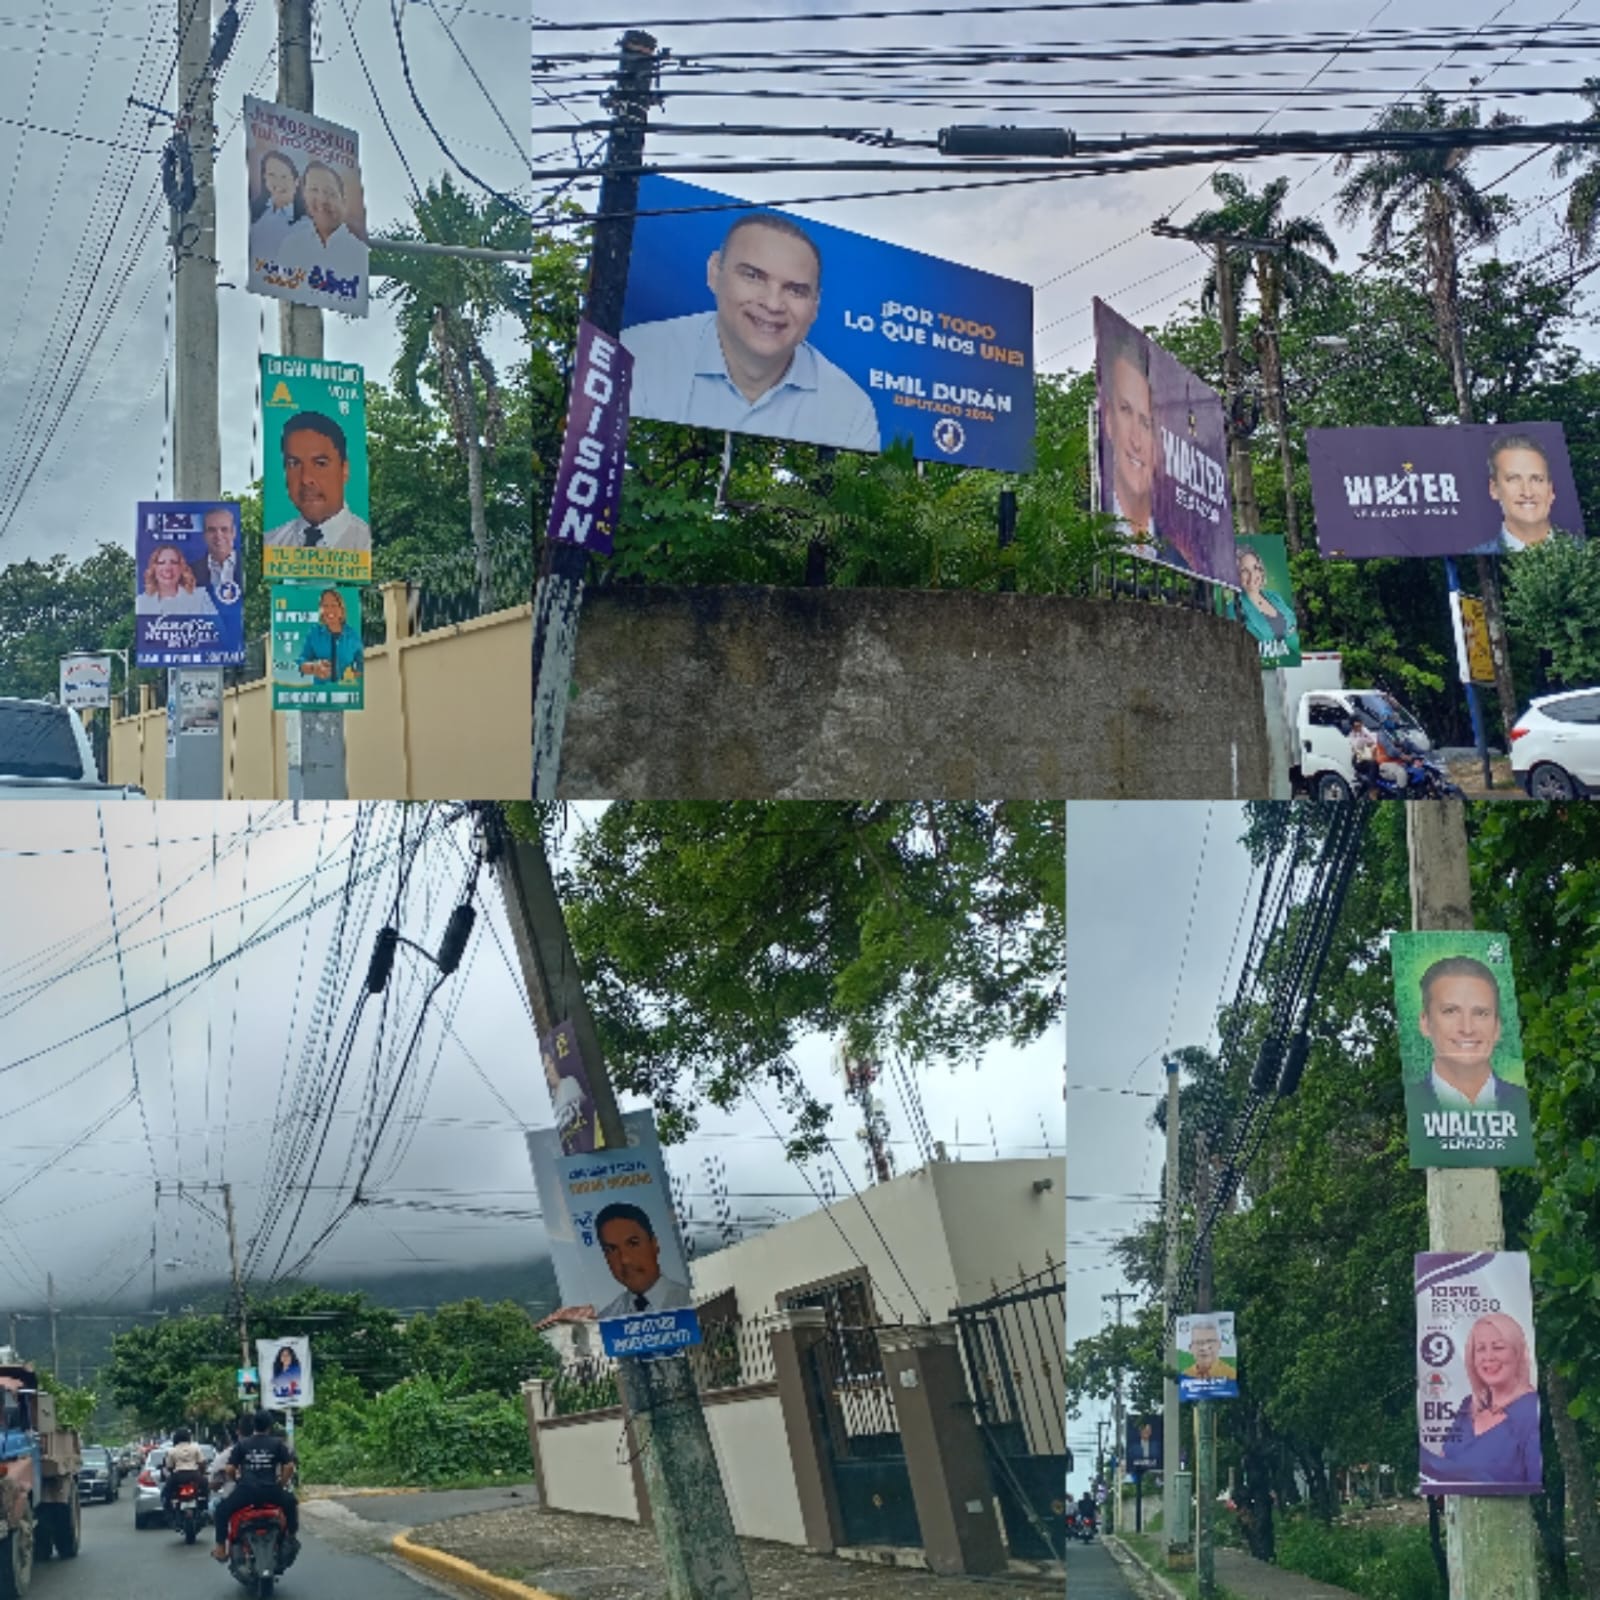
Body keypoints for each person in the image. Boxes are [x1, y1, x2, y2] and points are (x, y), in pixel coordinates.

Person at [621, 214, 880, 452]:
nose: (773, 304)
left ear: (815, 307)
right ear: (714, 272)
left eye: (795, 290)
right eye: (753, 276)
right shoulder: (636, 355)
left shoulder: (849, 407)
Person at [1404, 956, 1532, 1144]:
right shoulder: (1413, 1103)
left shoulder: (1520, 1101)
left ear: (1497, 1026)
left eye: (1480, 1013)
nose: (1467, 1028)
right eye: (1450, 1011)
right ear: (1425, 1022)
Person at [1421, 1312, 1540, 1489]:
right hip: (1460, 1514)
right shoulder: (1468, 1406)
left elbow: (1536, 1485)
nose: (1488, 1357)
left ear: (1518, 1353)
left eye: (1498, 1347)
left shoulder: (1530, 1410)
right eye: (1481, 1349)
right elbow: (1443, 1464)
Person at [263, 412, 371, 553]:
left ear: (344, 469)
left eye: (320, 463)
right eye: (294, 463)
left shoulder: (367, 544)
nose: (306, 479)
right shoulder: (272, 543)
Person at [273, 160, 367, 306]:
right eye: (314, 190)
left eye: (330, 193)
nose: (322, 200)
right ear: (304, 196)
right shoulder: (291, 245)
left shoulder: (357, 250)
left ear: (343, 200)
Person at [213, 1409, 298, 1564]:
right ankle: (290, 1538)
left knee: (221, 1510)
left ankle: (220, 1548)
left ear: (254, 1426)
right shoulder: (277, 1444)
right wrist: (282, 1483)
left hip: (247, 1492)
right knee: (291, 1503)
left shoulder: (242, 1444)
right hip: (271, 1491)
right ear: (269, 1426)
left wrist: (237, 1480)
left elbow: (230, 1469)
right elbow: (290, 1467)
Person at [1470, 434, 1571, 554]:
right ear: (1494, 489)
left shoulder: (1586, 553)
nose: (1527, 492)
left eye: (1537, 479)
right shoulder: (1478, 554)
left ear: (1551, 489)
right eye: (1513, 479)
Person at [593, 1202, 693, 1319]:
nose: (625, 1259)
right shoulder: (606, 1319)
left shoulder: (691, 1302)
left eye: (633, 1243)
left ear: (654, 1244)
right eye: (612, 1249)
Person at [1237, 545, 1297, 658]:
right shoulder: (1234, 607)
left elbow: (1292, 623)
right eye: (1244, 570)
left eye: (1255, 568)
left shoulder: (1275, 597)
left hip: (1288, 662)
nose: (1252, 575)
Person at [297, 588, 363, 685]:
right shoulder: (314, 633)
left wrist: (353, 678)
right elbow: (301, 661)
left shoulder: (353, 636)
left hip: (345, 695)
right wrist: (313, 667)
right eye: (325, 606)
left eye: (334, 605)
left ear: (341, 610)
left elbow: (362, 664)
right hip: (320, 695)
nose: (329, 610)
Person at [249, 149, 301, 264]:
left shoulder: (307, 223)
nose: (278, 182)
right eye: (272, 175)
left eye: (284, 176)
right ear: (265, 178)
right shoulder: (255, 213)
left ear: (296, 181)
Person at [136, 545, 218, 617]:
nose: (168, 568)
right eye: (161, 563)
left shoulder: (200, 598)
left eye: (174, 562)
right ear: (154, 569)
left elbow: (219, 633)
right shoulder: (142, 603)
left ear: (181, 568)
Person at [161, 1427, 208, 1521]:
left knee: (165, 1493)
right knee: (205, 1488)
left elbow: (169, 1467)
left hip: (178, 1476)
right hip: (194, 1475)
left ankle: (169, 1513)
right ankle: (205, 1507)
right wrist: (202, 1474)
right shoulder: (195, 1448)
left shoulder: (172, 1451)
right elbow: (202, 1462)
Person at [199, 506, 241, 605]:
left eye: (224, 529)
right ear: (204, 535)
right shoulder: (191, 571)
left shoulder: (249, 565)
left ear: (233, 532)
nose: (218, 536)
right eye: (212, 530)